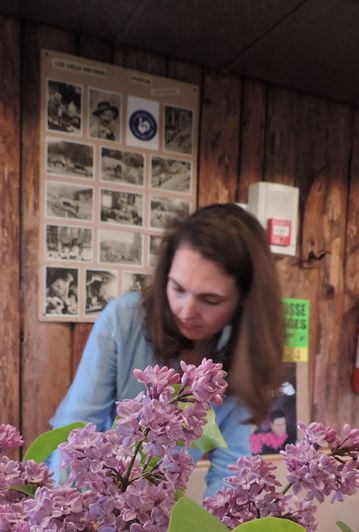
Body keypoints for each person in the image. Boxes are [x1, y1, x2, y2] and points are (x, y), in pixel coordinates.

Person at [48, 203, 285, 496]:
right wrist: (68, 518)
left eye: (210, 300)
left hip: (164, 515)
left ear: (244, 299)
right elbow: (76, 432)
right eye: (178, 289)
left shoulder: (245, 356)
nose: (186, 311)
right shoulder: (124, 320)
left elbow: (231, 469)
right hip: (95, 500)